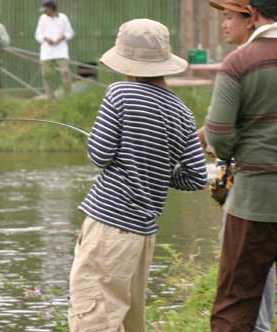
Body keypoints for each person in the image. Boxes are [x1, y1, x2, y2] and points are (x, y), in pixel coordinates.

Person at [69, 19, 208, 332]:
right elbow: (197, 177)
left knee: (93, 320)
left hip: (109, 227)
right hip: (143, 235)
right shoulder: (182, 112)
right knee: (130, 321)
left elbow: (99, 155)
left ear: (126, 62)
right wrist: (158, 170)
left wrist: (99, 139)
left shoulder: (119, 94)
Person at [204, 0, 277, 332]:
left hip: (254, 199)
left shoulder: (238, 62)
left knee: (236, 301)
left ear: (252, 12)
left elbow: (217, 136)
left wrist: (236, 149)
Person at [34, 0, 74, 100]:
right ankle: (50, 98)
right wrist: (45, 38)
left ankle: (67, 97)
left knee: (65, 73)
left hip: (61, 51)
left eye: (46, 9)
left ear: (51, 8)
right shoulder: (42, 19)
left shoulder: (63, 18)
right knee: (47, 76)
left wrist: (62, 37)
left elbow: (70, 33)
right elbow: (38, 35)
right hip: (47, 52)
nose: (44, 12)